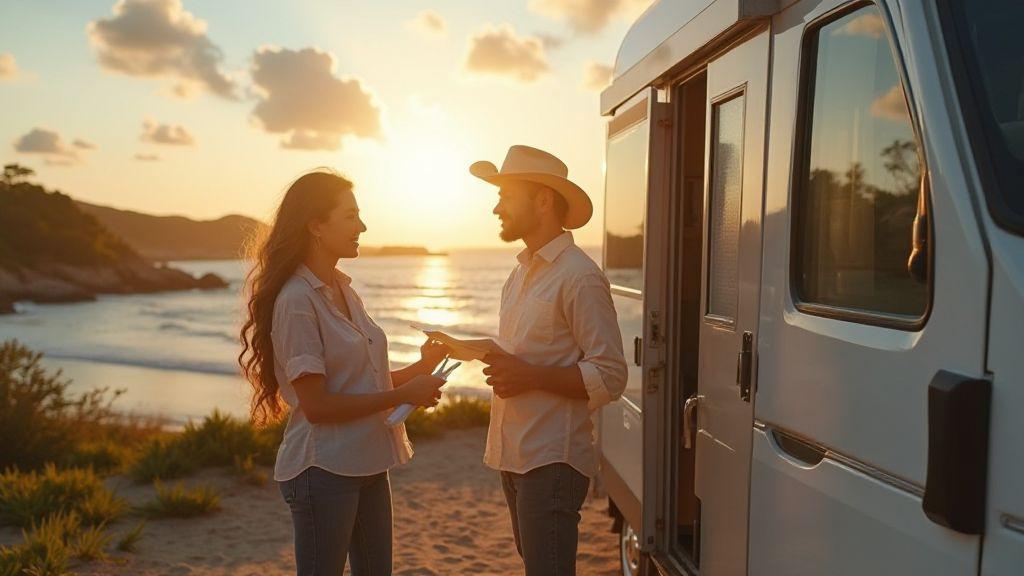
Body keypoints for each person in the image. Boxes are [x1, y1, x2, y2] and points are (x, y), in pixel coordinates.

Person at [238, 169, 448, 575]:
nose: (362, 226)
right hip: (324, 470)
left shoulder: (342, 289)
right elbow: (317, 407)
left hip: (369, 461)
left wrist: (420, 369)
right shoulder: (298, 300)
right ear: (316, 225)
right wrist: (404, 395)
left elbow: (364, 380)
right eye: (351, 216)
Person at [470, 145, 629, 575]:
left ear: (542, 200)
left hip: (551, 460)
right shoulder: (519, 274)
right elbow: (528, 361)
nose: (496, 207)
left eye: (506, 195)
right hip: (516, 455)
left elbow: (612, 374)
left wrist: (528, 375)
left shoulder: (579, 276)